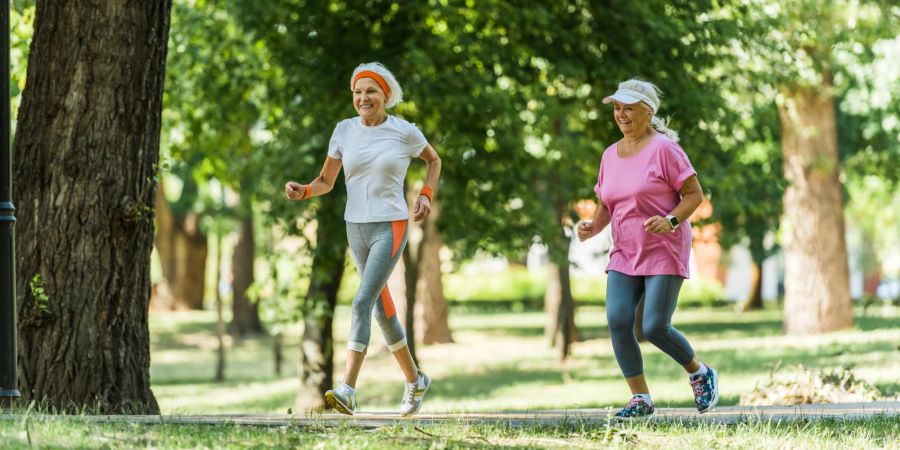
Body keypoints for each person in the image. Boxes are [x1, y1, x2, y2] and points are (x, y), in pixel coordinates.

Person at [284, 62, 442, 417]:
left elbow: (434, 160)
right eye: (357, 92)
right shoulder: (343, 131)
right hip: (355, 227)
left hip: (391, 224)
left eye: (370, 91)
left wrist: (426, 194)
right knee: (381, 310)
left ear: (384, 95)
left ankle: (348, 389)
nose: (363, 98)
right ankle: (415, 380)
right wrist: (304, 191)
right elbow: (326, 181)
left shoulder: (404, 132)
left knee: (360, 302)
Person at [577, 78, 719, 420]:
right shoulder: (610, 154)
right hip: (625, 251)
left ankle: (700, 372)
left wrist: (670, 221)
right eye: (617, 108)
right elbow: (607, 202)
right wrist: (593, 226)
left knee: (654, 326)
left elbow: (694, 195)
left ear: (648, 111)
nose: (621, 114)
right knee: (618, 319)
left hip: (663, 247)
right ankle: (640, 398)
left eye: (629, 108)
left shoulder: (665, 150)